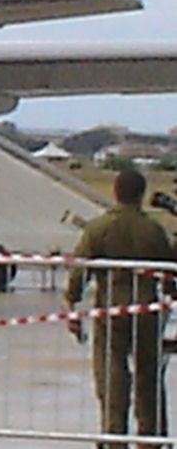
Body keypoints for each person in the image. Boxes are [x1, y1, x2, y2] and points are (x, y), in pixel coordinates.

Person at [63, 167, 176, 447]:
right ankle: (150, 436)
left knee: (111, 374)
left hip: (110, 310)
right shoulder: (153, 229)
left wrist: (71, 302)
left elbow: (80, 270)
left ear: (116, 193)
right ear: (140, 194)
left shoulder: (99, 227)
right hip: (147, 311)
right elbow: (170, 272)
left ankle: (114, 435)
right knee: (149, 375)